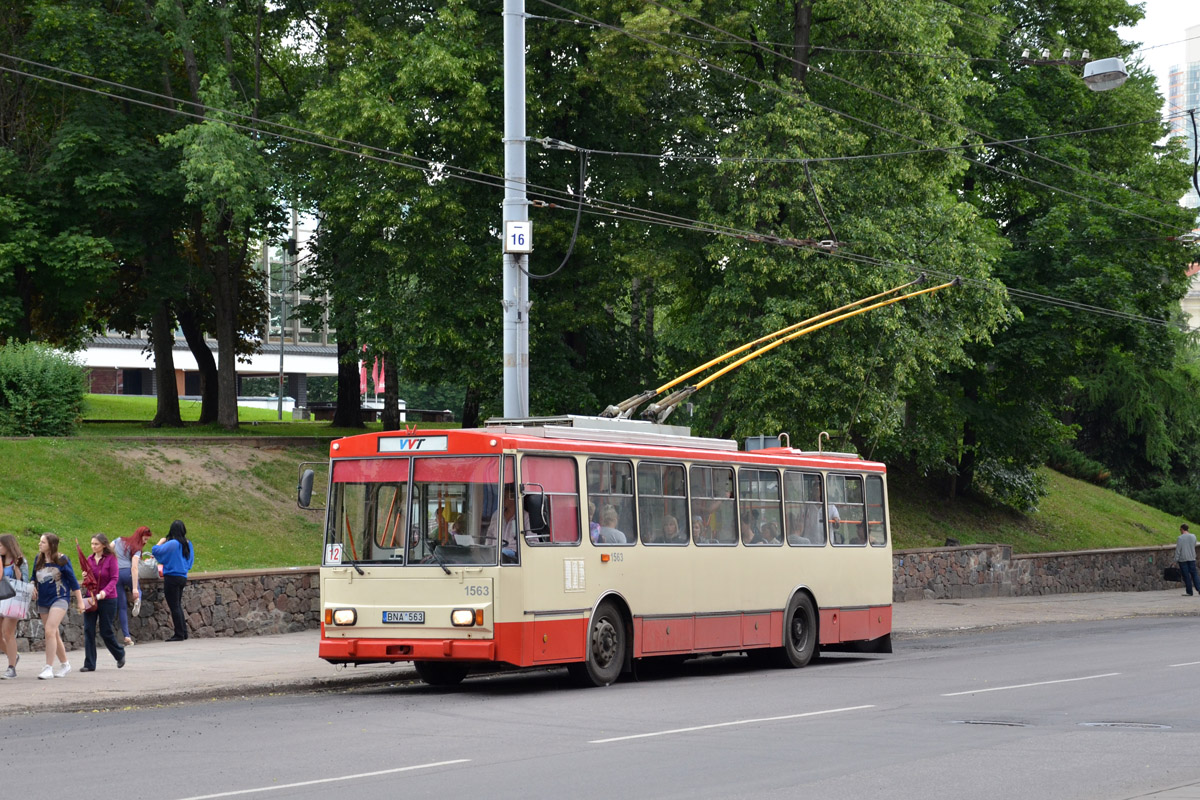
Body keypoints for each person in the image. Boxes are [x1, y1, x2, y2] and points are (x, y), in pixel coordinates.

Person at [33, 533, 83, 679]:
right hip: (43, 600)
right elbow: (33, 577)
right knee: (53, 633)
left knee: (49, 630)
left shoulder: (62, 560)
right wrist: (32, 585)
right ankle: (65, 664)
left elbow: (73, 581)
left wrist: (80, 601)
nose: (39, 544)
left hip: (60, 598)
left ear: (51, 545)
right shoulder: (38, 559)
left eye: (43, 542)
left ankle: (48, 668)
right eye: (40, 541)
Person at [79, 534, 126, 672]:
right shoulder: (89, 559)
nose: (93, 546)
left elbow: (114, 578)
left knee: (106, 631)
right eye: (92, 544)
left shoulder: (111, 559)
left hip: (108, 599)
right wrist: (85, 577)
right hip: (91, 598)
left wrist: (105, 592)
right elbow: (89, 579)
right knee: (88, 630)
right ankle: (89, 664)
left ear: (104, 545)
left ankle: (119, 653)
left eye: (96, 544)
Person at [152, 520, 195, 641]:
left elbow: (156, 551)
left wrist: (160, 541)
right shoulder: (188, 543)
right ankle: (183, 632)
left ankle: (179, 634)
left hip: (171, 577)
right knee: (178, 605)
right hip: (182, 577)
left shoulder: (173, 543)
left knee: (174, 606)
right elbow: (190, 561)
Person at [113, 526, 152, 645]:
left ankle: (127, 636)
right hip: (128, 573)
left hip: (116, 574)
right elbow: (134, 567)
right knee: (138, 591)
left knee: (122, 606)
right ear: (140, 537)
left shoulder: (119, 540)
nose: (146, 542)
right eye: (145, 539)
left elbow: (107, 549)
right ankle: (137, 599)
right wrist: (135, 589)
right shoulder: (137, 549)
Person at [0, 534, 27, 679]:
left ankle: (11, 668)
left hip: (13, 601)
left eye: (0, 545)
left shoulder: (20, 561)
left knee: (7, 633)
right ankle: (13, 655)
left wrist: (17, 571)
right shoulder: (0, 559)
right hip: (0, 599)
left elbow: (25, 583)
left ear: (8, 546)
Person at [1176, 523, 1200, 597]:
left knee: (1186, 575)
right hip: (1192, 557)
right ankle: (1199, 589)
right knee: (1194, 574)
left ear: (1182, 529)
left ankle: (1189, 591)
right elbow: (1194, 545)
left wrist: (1175, 559)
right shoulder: (1193, 536)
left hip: (1183, 559)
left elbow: (1178, 550)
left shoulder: (1180, 538)